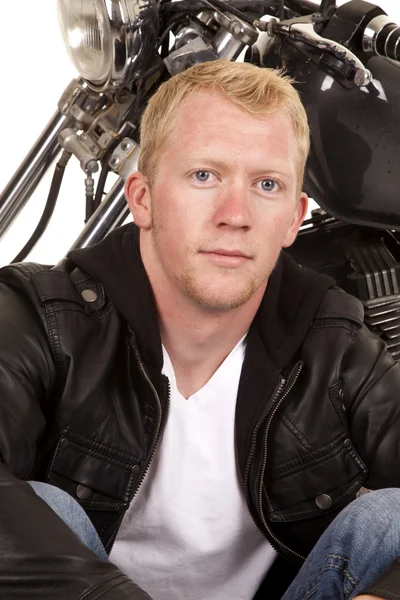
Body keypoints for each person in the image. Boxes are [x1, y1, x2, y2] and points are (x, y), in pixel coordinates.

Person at [0, 59, 400, 600]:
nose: (235, 214)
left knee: (389, 520)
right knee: (47, 511)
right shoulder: (40, 316)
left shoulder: (335, 342)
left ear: (293, 217)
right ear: (141, 197)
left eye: (266, 183)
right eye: (204, 175)